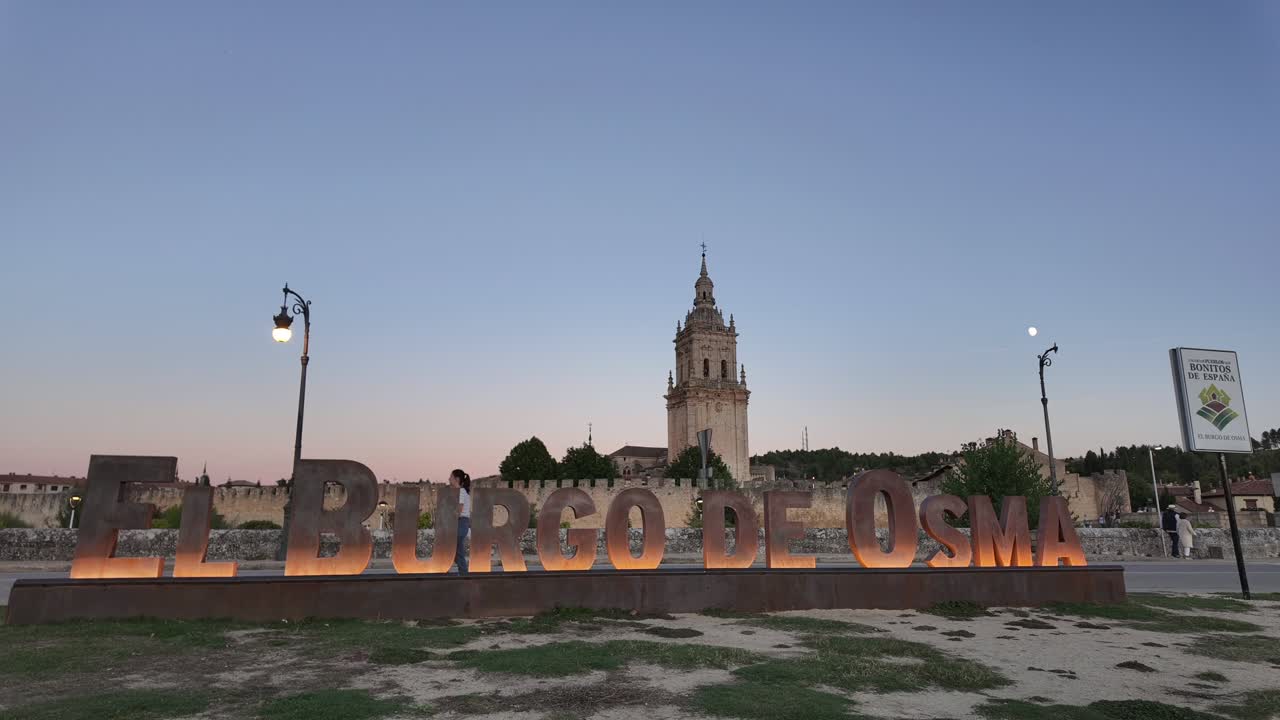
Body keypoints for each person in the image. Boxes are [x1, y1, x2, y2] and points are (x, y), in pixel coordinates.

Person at [449, 469, 472, 575]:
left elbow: (460, 508)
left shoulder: (461, 491)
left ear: (457, 479)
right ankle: (463, 572)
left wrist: (452, 517)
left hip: (462, 522)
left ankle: (463, 573)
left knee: (456, 549)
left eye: (451, 477)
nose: (449, 479)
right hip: (462, 522)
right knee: (458, 550)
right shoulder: (461, 492)